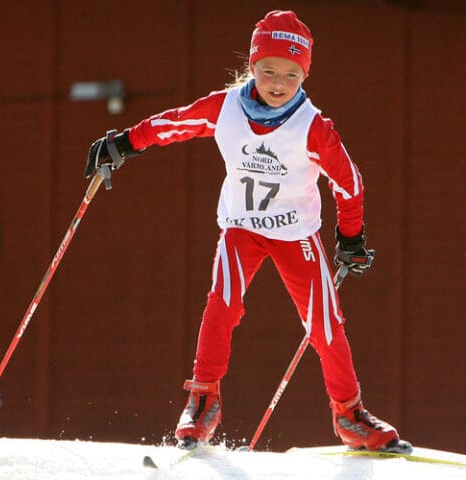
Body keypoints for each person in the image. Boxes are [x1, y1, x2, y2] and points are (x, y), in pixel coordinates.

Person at [84, 10, 410, 453]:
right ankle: (202, 402)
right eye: (269, 70)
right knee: (222, 305)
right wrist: (123, 143)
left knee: (325, 326)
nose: (278, 83)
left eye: (292, 74)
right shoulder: (227, 108)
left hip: (296, 235)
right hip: (241, 228)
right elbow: (174, 123)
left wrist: (350, 238)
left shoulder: (313, 126)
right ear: (252, 66)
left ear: (305, 75)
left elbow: (349, 182)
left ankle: (349, 415)